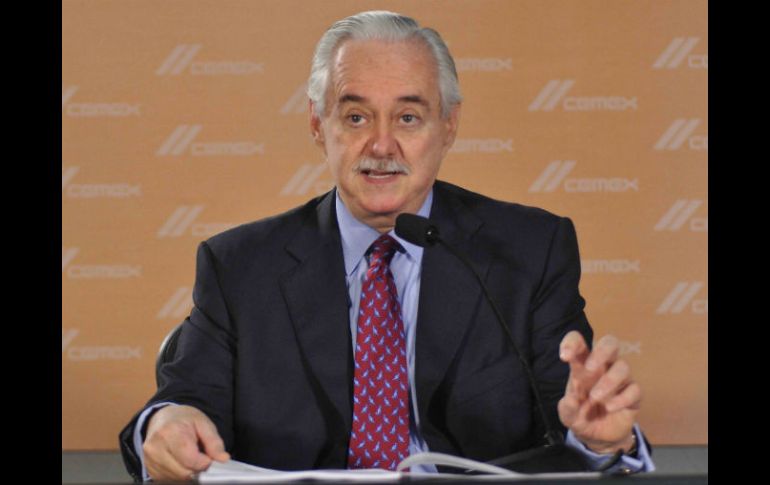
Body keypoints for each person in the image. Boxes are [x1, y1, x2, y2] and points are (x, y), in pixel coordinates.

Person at [119, 11, 655, 482]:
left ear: (448, 126)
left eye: (407, 117)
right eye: (355, 117)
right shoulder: (239, 266)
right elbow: (185, 401)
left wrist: (598, 442)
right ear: (317, 124)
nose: (380, 145)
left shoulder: (529, 252)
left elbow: (571, 422)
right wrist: (166, 425)